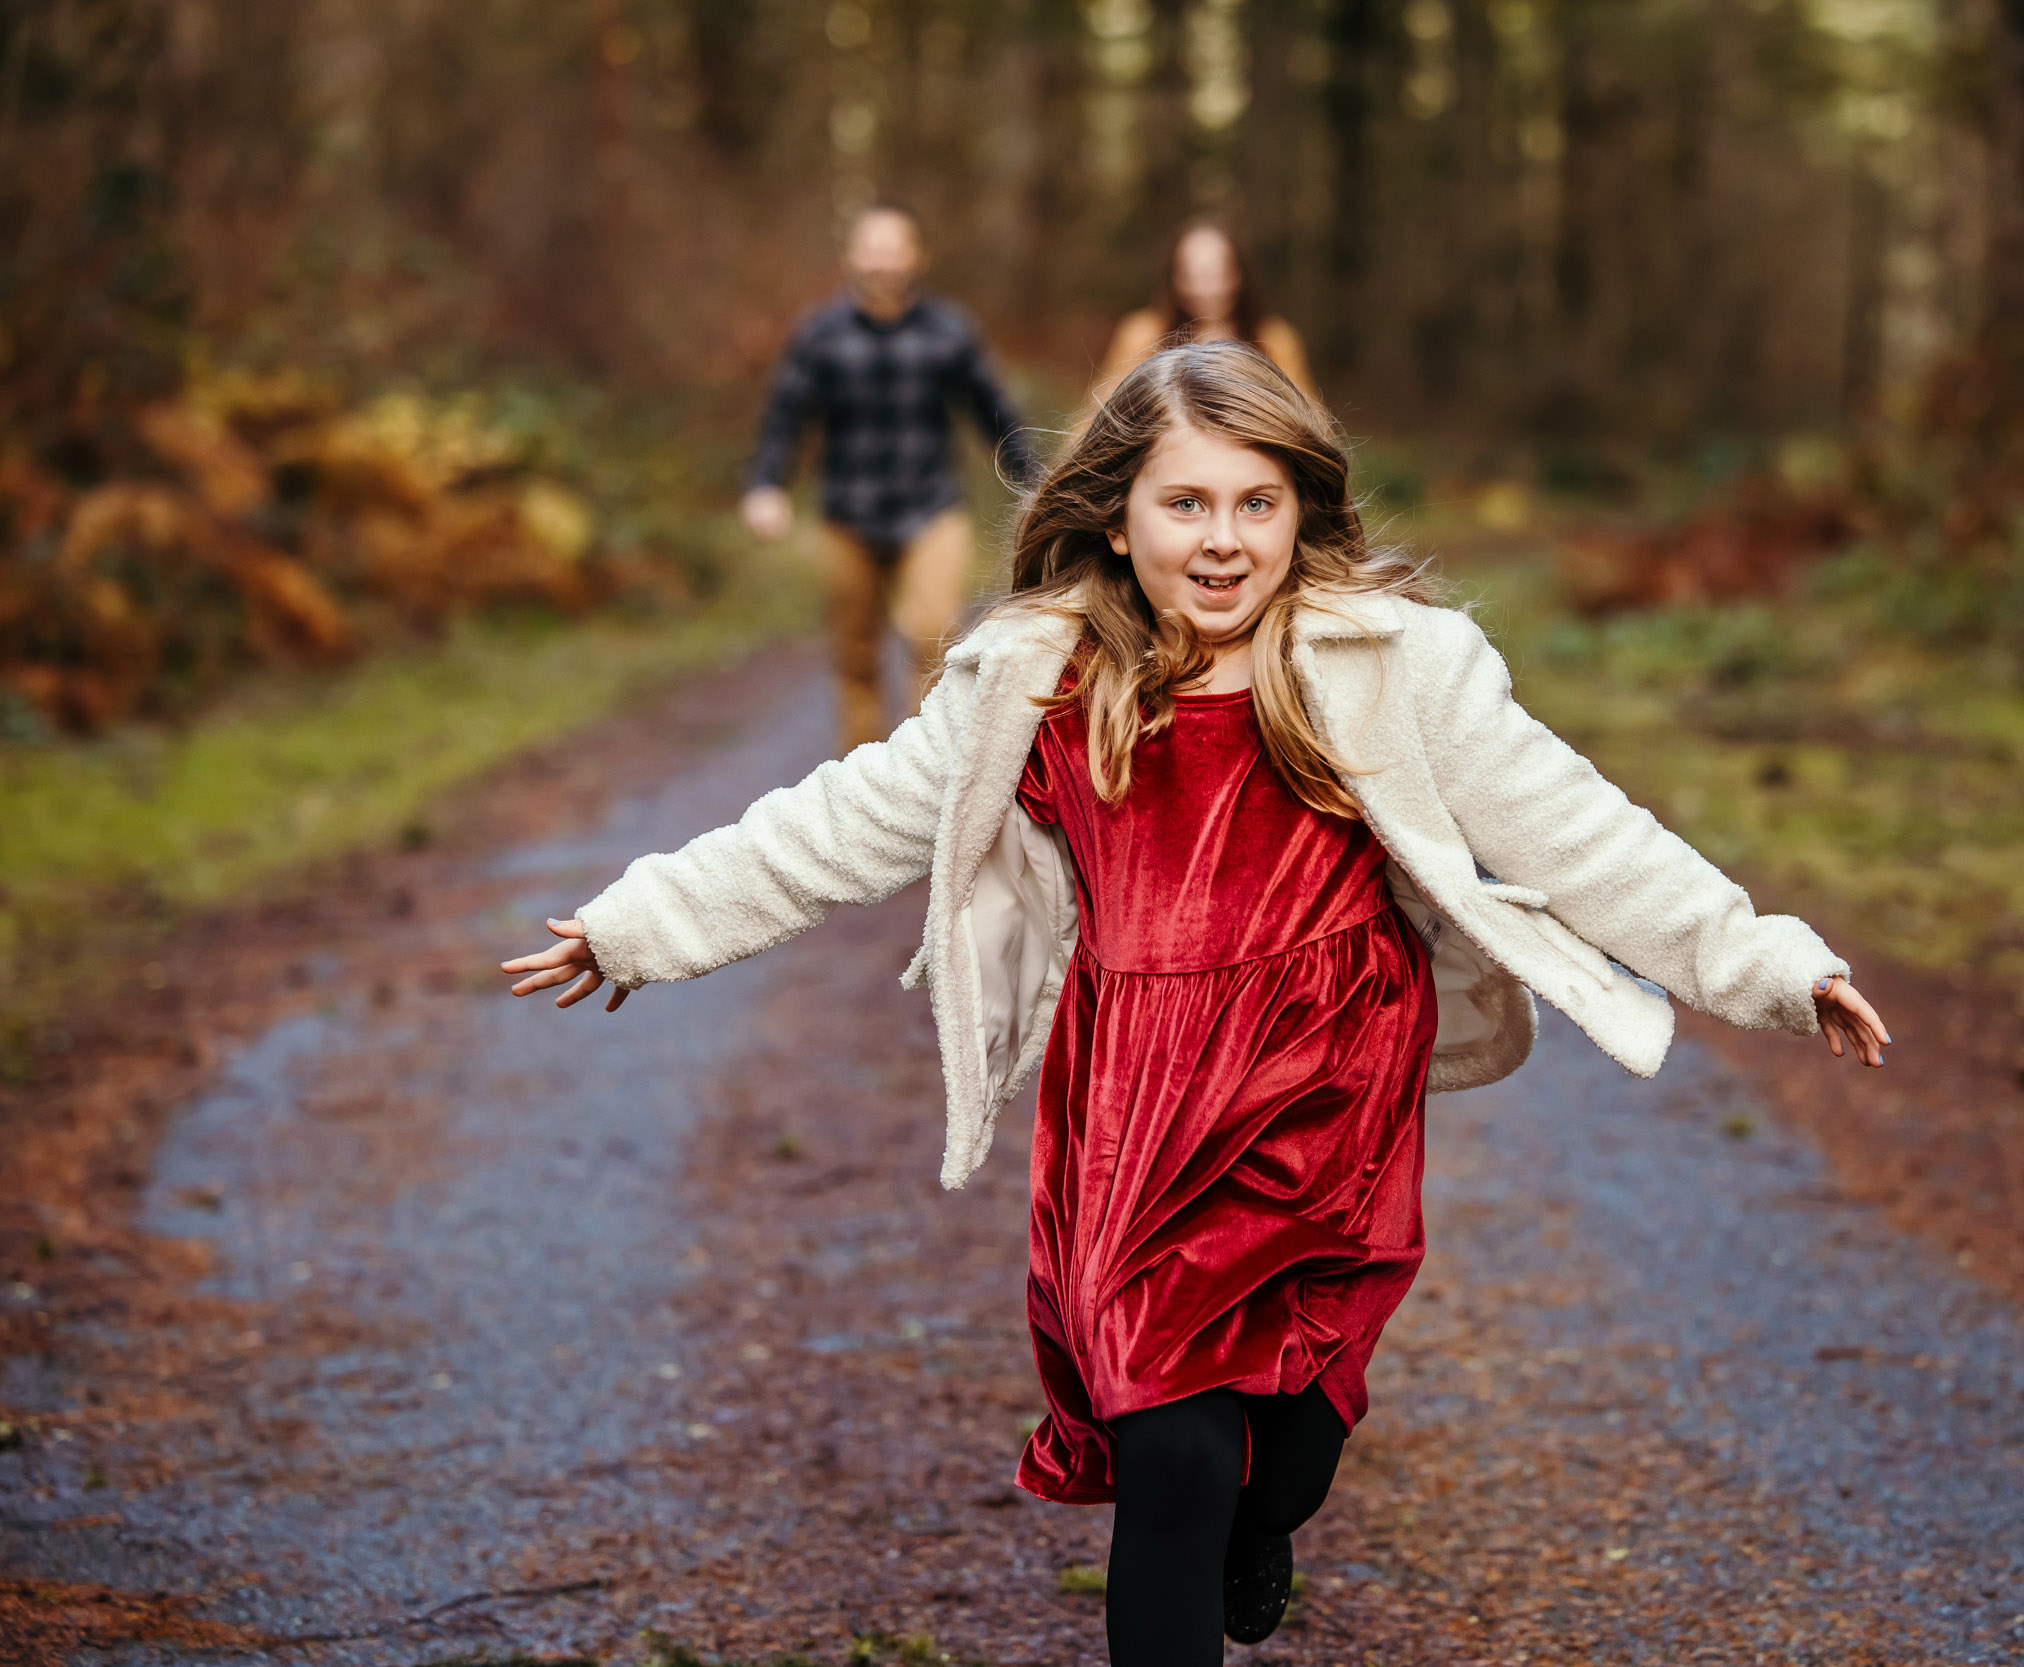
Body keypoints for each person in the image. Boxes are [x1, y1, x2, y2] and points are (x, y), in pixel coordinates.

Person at [502, 342, 1890, 1664]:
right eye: (1186, 503)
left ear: (1300, 513)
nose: (1222, 539)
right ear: (1116, 519)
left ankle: (1265, 1517)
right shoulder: (1036, 683)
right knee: (1169, 1448)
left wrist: (1769, 961)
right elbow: (840, 821)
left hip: (1327, 1099)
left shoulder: (1383, 664)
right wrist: (641, 923)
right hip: (1139, 1103)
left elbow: (1579, 830)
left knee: (1283, 1449)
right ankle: (1205, 1527)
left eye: (1256, 503)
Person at [741, 202, 1039, 753]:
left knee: (932, 637)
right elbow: (785, 414)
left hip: (931, 509)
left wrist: (1035, 481)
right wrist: (767, 484)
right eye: (870, 248)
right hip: (847, 516)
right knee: (855, 655)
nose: (881, 261)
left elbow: (993, 411)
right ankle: (858, 784)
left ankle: (918, 778)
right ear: (853, 256)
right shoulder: (820, 334)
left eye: (893, 248)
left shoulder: (948, 331)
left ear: (916, 257)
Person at [1093, 219, 1315, 403]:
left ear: (1238, 274)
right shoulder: (1141, 334)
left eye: (1215, 273)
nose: (1204, 288)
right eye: (1191, 274)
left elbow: (1310, 418)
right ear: (1173, 278)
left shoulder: (1275, 340)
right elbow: (1100, 412)